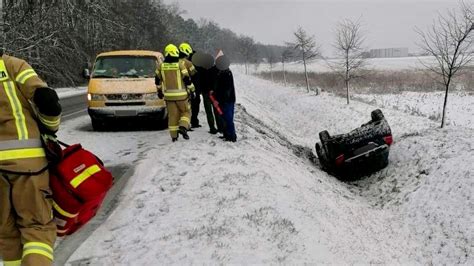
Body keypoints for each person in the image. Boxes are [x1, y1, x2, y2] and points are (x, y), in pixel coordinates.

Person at [0, 51, 62, 266]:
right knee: (38, 230)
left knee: (6, 234)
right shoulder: (13, 66)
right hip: (27, 166)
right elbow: (47, 101)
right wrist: (51, 128)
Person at [156, 44, 196, 142]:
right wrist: (192, 90)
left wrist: (159, 91)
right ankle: (183, 127)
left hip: (169, 97)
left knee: (173, 116)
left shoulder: (161, 66)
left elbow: (157, 80)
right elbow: (187, 80)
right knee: (186, 112)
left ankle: (174, 136)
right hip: (182, 96)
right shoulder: (180, 65)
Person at [214, 55, 237, 142]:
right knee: (224, 118)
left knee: (228, 119)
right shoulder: (222, 72)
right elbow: (219, 88)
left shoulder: (227, 74)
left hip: (227, 101)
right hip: (224, 100)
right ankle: (226, 134)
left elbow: (226, 90)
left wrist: (218, 100)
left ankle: (232, 136)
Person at [178, 43, 199, 128]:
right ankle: (186, 125)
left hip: (175, 89)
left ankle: (179, 123)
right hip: (186, 88)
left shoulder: (173, 62)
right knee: (187, 109)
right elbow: (194, 74)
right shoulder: (188, 63)